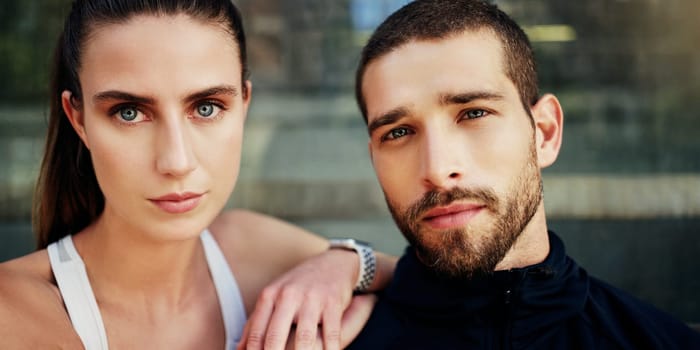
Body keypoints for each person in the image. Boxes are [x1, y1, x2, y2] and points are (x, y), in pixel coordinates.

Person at [0, 1, 397, 349]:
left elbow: (428, 287)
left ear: (243, 104)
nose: (176, 160)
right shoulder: (15, 311)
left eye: (206, 108)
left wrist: (343, 267)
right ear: (78, 119)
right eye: (129, 112)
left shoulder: (250, 247)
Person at [347, 0, 700, 349]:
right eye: (397, 133)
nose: (438, 171)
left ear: (544, 132)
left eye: (473, 113)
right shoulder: (322, 337)